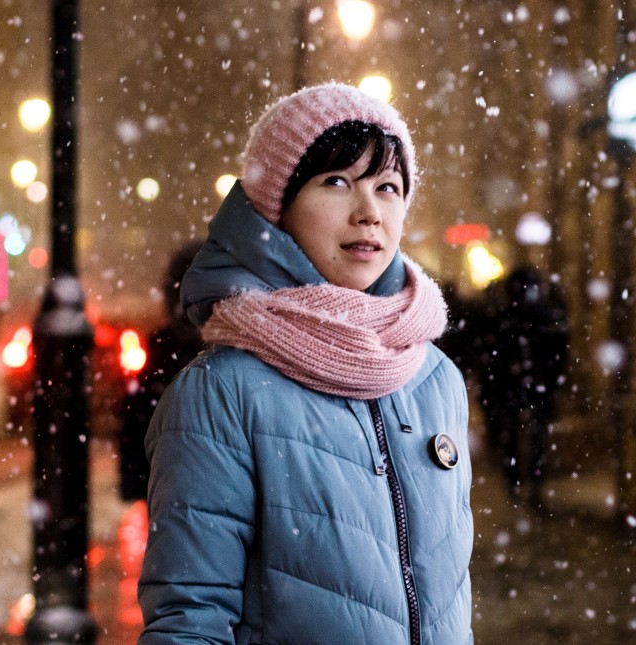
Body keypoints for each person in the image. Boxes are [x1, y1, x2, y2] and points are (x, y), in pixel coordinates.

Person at [138, 83, 473, 644]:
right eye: (337, 182)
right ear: (276, 207)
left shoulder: (435, 378)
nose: (369, 212)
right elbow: (191, 620)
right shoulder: (222, 393)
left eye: (388, 187)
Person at [117, 239, 206, 502]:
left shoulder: (161, 350)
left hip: (167, 488)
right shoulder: (233, 350)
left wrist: (136, 480)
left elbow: (137, 417)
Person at [478, 266, 569, 505]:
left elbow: (557, 353)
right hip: (523, 386)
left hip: (522, 386)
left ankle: (522, 483)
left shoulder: (510, 317)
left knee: (523, 435)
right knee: (527, 435)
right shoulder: (525, 318)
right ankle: (526, 483)